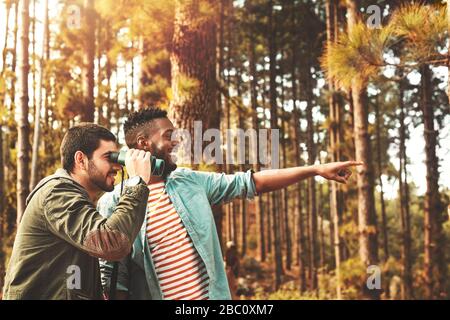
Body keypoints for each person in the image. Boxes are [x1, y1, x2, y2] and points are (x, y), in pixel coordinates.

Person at [97, 107, 362, 300]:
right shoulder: (113, 204)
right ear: (144, 143)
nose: (176, 140)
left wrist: (315, 169)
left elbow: (251, 182)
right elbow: (114, 282)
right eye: (169, 135)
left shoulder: (189, 182)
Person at [2, 123, 153, 300]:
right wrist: (137, 182)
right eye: (109, 157)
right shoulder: (56, 193)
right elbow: (111, 243)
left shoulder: (76, 199)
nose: (118, 167)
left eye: (117, 158)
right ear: (81, 160)